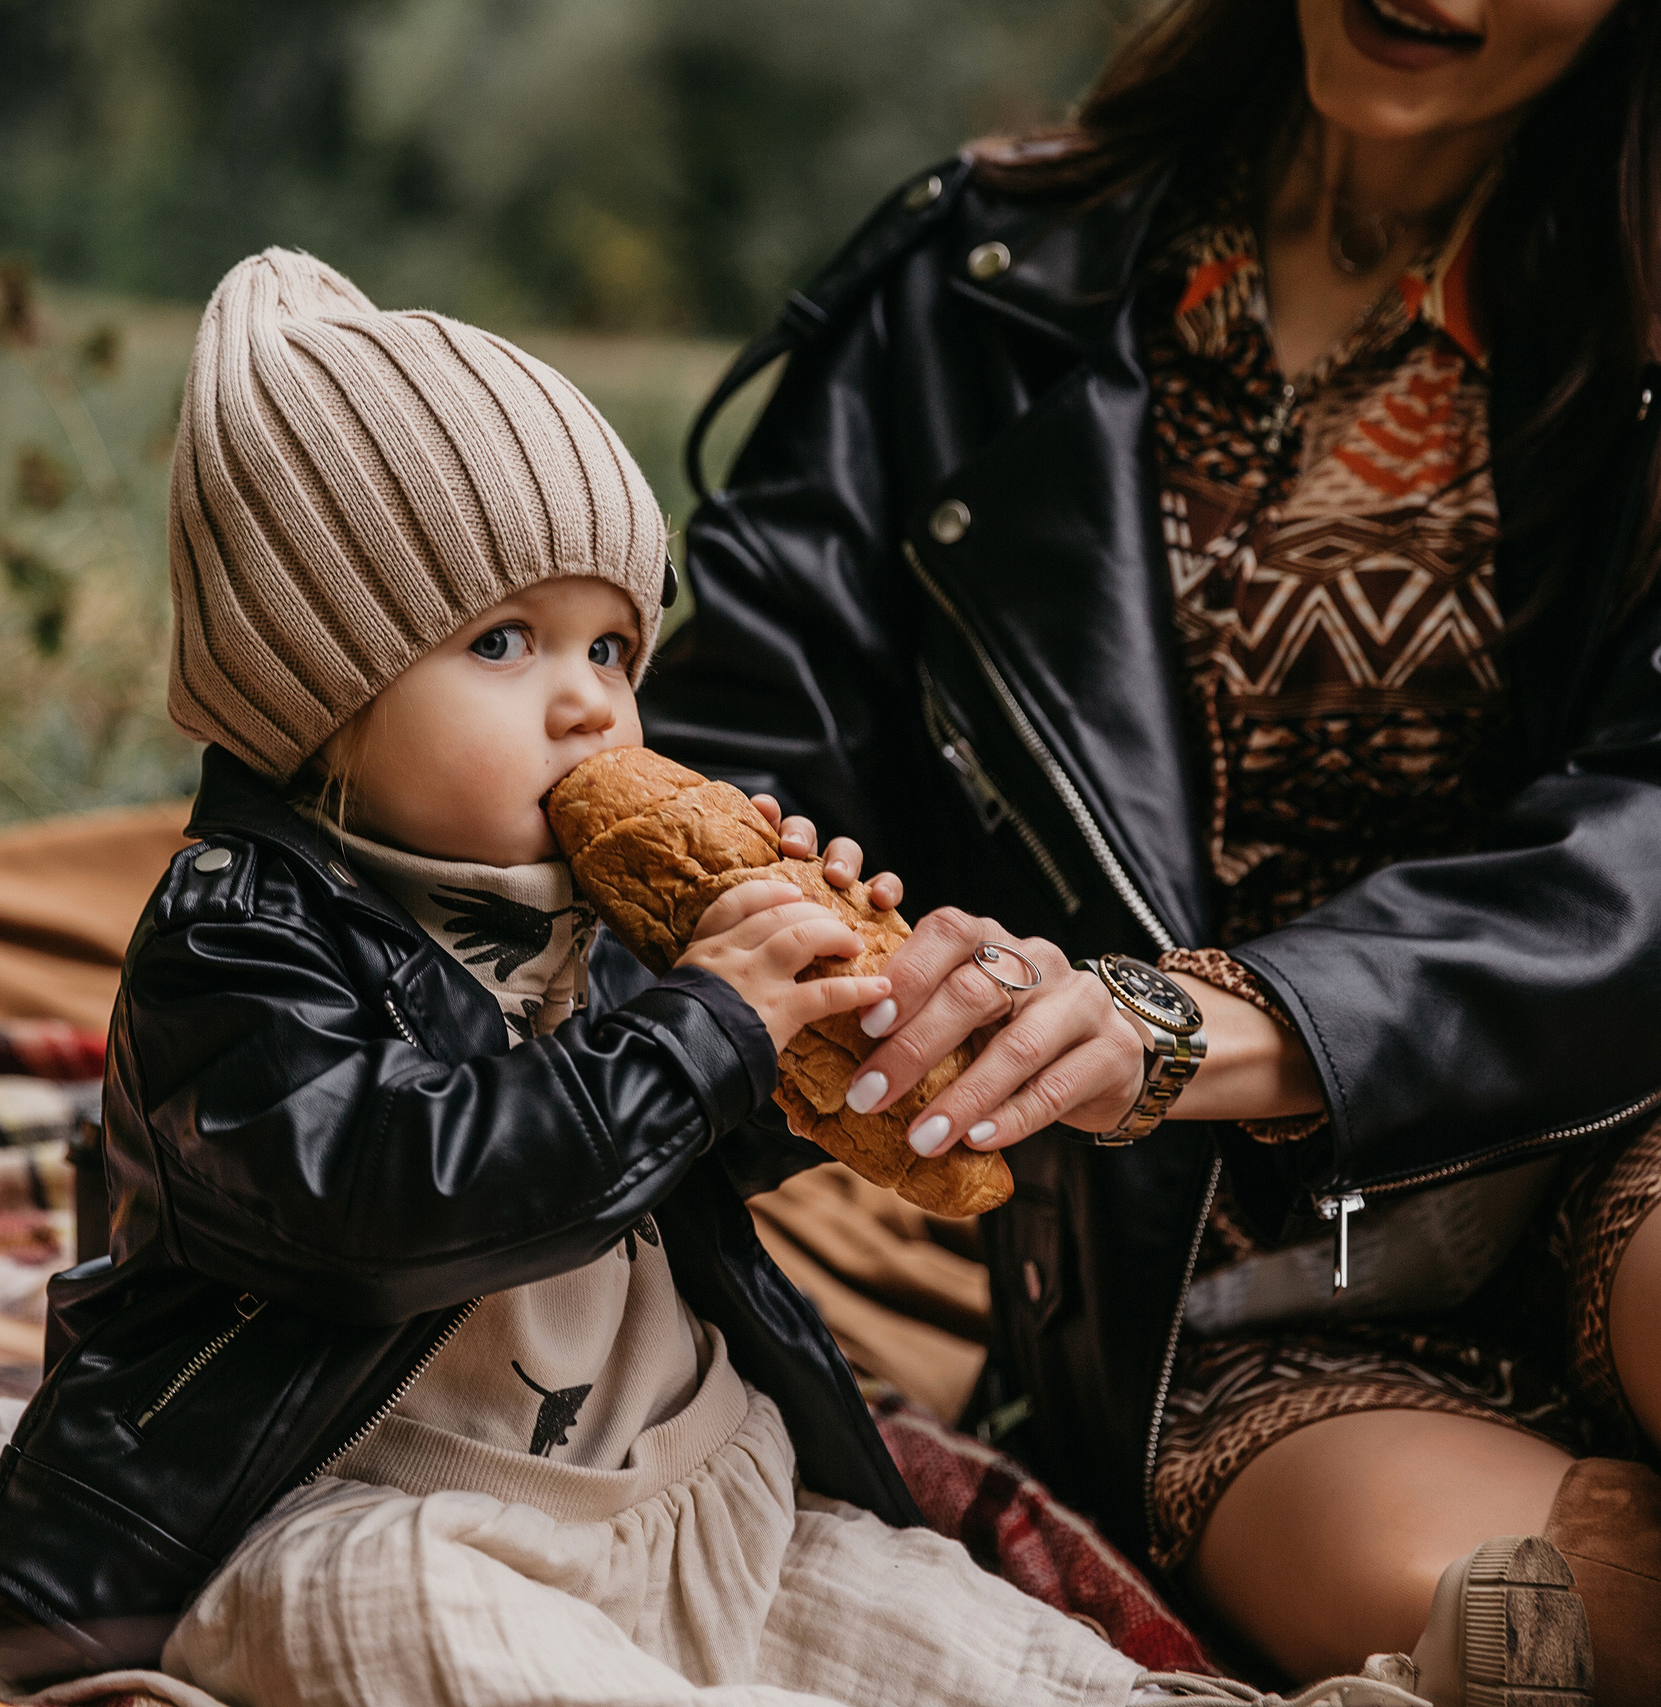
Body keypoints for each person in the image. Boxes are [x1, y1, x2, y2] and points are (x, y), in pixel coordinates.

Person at [0, 248, 1445, 1707]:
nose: (590, 701)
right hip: (351, 1501)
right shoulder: (239, 943)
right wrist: (703, 1026)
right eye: (508, 641)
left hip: (680, 1486)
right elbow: (383, 1200)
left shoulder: (613, 912)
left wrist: (832, 1036)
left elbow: (682, 1146)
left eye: (616, 646)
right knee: (374, 1625)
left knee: (935, 1624)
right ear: (316, 696)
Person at [639, 0, 1661, 1698]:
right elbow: (734, 785)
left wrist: (1197, 1019)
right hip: (1200, 1264)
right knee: (1512, 1624)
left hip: (1616, 1104)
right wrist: (859, 990)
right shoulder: (969, 285)